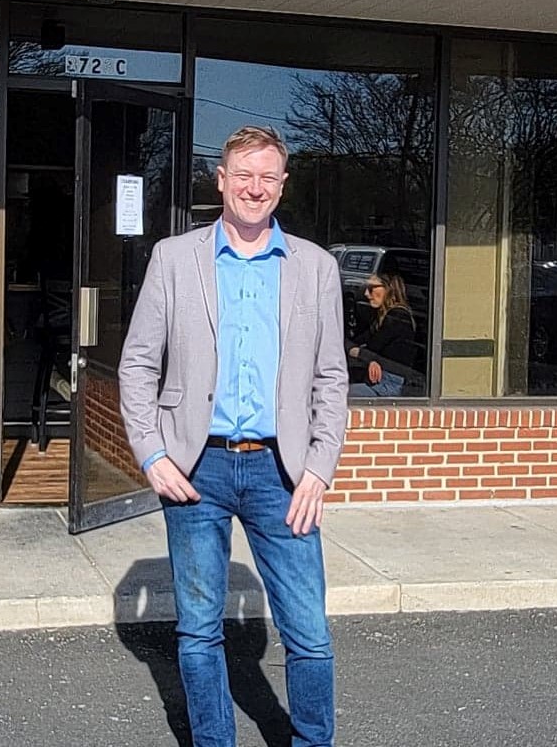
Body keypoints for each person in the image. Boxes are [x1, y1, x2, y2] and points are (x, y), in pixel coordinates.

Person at [118, 125, 348, 747]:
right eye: (242, 175)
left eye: (267, 177)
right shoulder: (174, 258)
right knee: (198, 631)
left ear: (282, 185)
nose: (254, 188)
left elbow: (331, 378)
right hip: (197, 471)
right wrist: (152, 452)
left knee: (309, 634)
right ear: (220, 179)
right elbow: (138, 363)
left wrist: (320, 469)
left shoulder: (316, 268)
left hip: (284, 474)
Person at [348, 269, 415, 398]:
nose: (366, 294)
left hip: (386, 384)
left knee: (334, 396)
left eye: (371, 288)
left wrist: (368, 356)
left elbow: (371, 348)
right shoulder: (382, 317)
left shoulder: (398, 317)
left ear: (388, 288)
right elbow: (357, 342)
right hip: (377, 379)